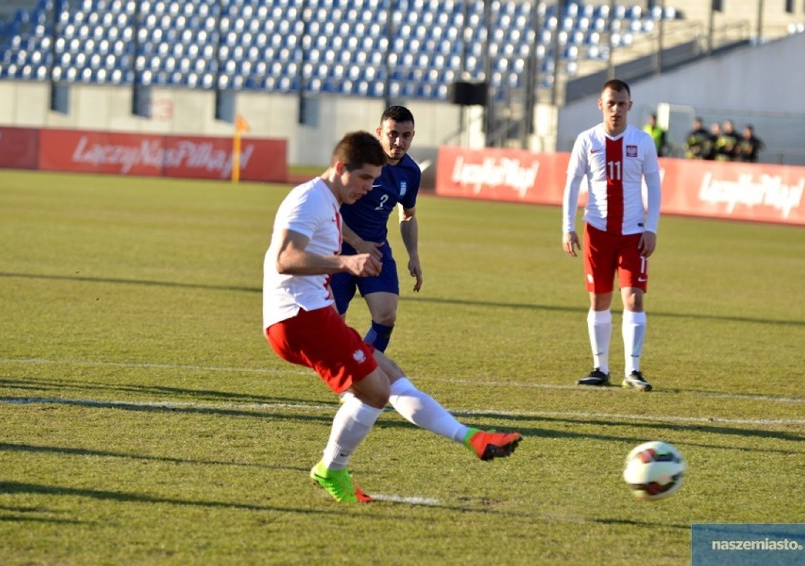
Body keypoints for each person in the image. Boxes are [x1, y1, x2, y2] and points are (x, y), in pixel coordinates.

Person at [263, 131, 522, 503]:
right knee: (376, 392)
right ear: (340, 168)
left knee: (390, 375)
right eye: (365, 178)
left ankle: (474, 439)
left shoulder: (327, 200)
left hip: (313, 314)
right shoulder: (310, 199)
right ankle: (331, 468)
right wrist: (346, 261)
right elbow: (284, 259)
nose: (369, 187)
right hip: (298, 317)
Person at [561, 79, 662, 392]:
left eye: (621, 103)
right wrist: (568, 226)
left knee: (633, 297)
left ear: (630, 105)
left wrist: (652, 228)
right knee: (599, 299)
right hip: (597, 232)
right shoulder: (587, 140)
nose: (616, 109)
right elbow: (572, 184)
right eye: (610, 103)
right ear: (600, 105)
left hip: (633, 234)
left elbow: (654, 187)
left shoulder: (643, 142)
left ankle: (633, 369)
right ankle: (600, 368)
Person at [330, 106, 422, 353]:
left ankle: (363, 371)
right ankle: (350, 371)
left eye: (406, 135)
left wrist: (413, 254)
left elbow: (408, 215)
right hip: (338, 250)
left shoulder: (411, 172)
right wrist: (357, 242)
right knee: (332, 328)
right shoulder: (358, 162)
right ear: (380, 132)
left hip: (376, 250)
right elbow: (329, 208)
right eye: (393, 134)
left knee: (386, 317)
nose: (399, 141)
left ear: (413, 135)